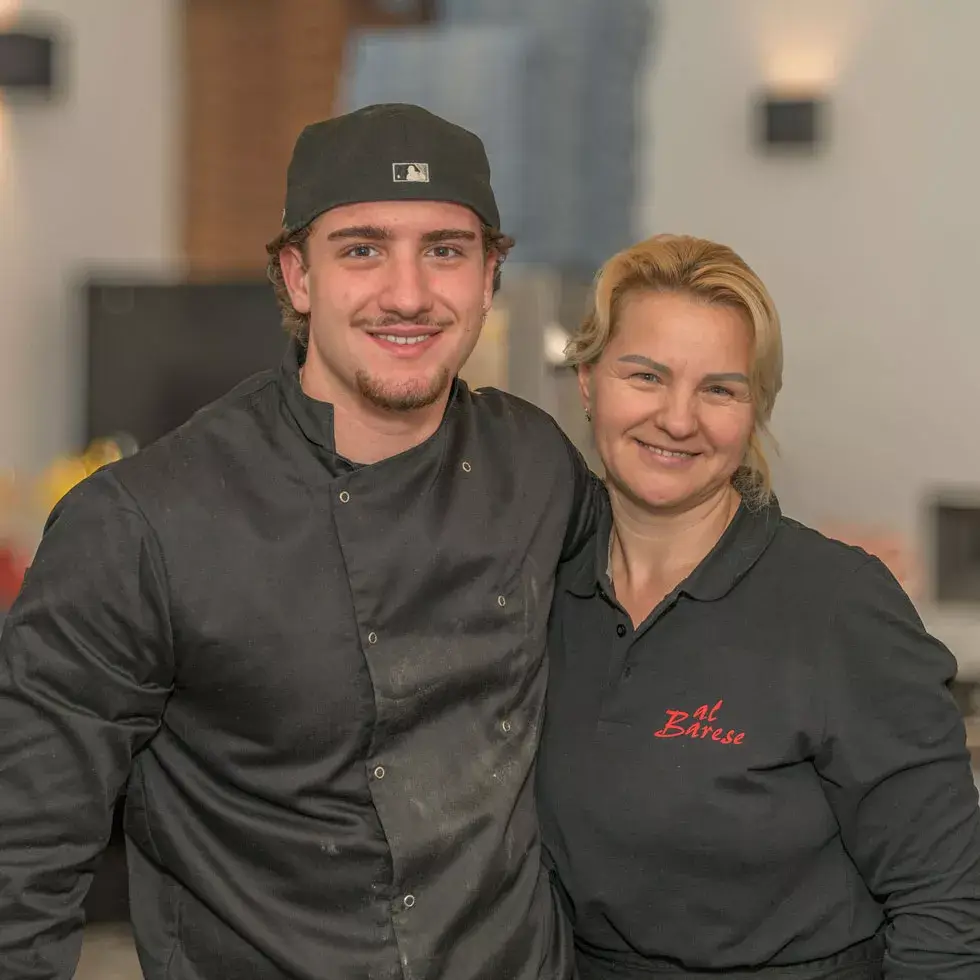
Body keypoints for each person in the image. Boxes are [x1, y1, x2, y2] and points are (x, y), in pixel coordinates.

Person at [0, 103, 600, 980]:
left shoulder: (537, 463)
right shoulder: (141, 521)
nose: (408, 292)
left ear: (488, 276)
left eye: (445, 249)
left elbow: (655, 610)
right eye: (362, 248)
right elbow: (24, 850)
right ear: (297, 275)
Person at [536, 234, 980, 979]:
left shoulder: (837, 604)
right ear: (587, 382)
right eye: (646, 375)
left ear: (754, 411)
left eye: (720, 389)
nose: (678, 419)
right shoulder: (539, 587)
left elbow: (947, 901)